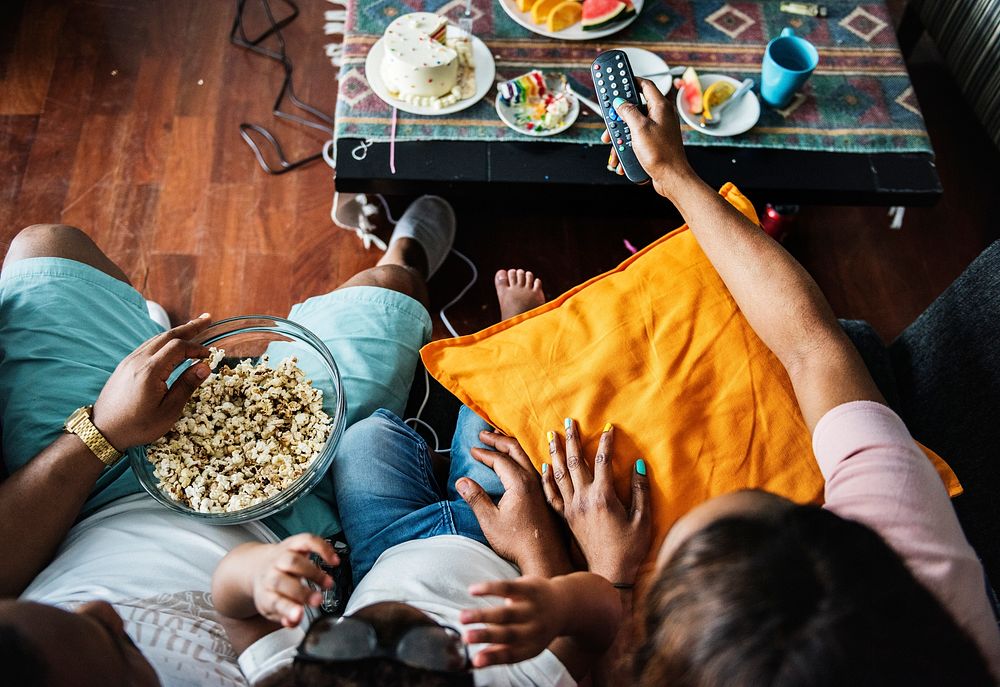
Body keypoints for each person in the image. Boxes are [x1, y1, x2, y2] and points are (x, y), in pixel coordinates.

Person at [593, 81, 1000, 683]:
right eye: (805, 511)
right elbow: (811, 345)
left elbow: (815, 348)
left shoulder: (908, 585)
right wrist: (674, 176)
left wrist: (608, 577)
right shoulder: (903, 542)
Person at [0, 196, 465, 685]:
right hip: (288, 523)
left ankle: (143, 333)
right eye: (115, 640)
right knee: (388, 286)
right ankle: (403, 258)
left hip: (84, 499)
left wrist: (105, 429)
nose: (103, 606)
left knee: (47, 245)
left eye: (68, 608)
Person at [210, 269, 651, 686]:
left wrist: (256, 574)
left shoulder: (286, 676)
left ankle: (443, 463)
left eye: (341, 640)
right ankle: (511, 328)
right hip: (502, 551)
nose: (394, 626)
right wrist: (550, 597)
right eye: (438, 646)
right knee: (493, 427)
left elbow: (234, 607)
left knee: (364, 440)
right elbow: (601, 615)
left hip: (384, 549)